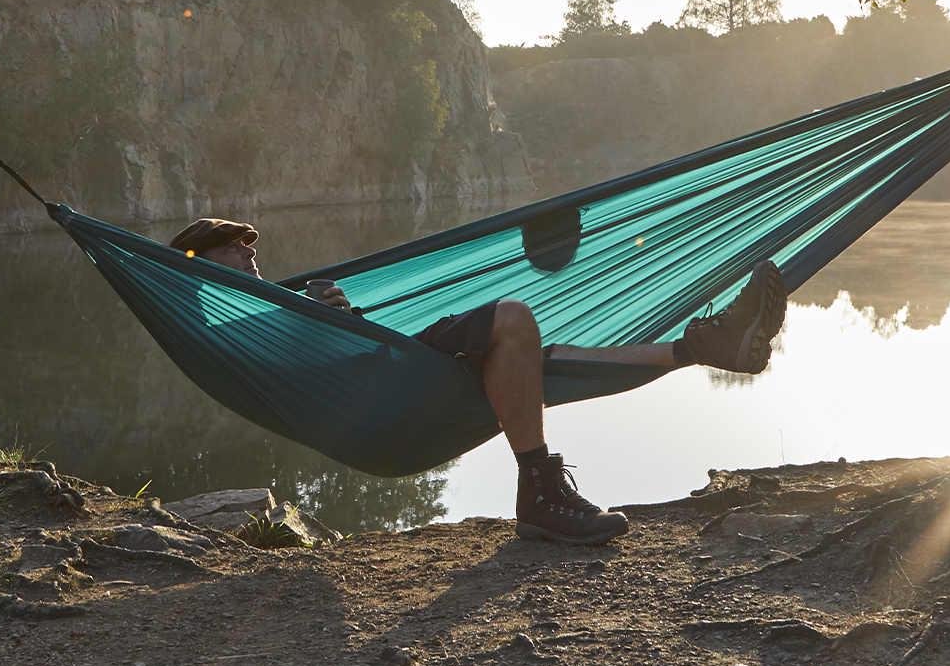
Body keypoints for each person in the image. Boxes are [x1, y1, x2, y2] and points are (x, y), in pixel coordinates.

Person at [167, 216, 790, 547]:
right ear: (196, 272)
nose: (252, 260)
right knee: (514, 321)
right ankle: (541, 493)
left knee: (540, 357)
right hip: (387, 395)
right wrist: (319, 320)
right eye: (233, 253)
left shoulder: (284, 303)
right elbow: (312, 366)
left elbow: (343, 349)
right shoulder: (242, 325)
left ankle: (703, 348)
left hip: (406, 375)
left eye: (251, 252)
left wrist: (336, 314)